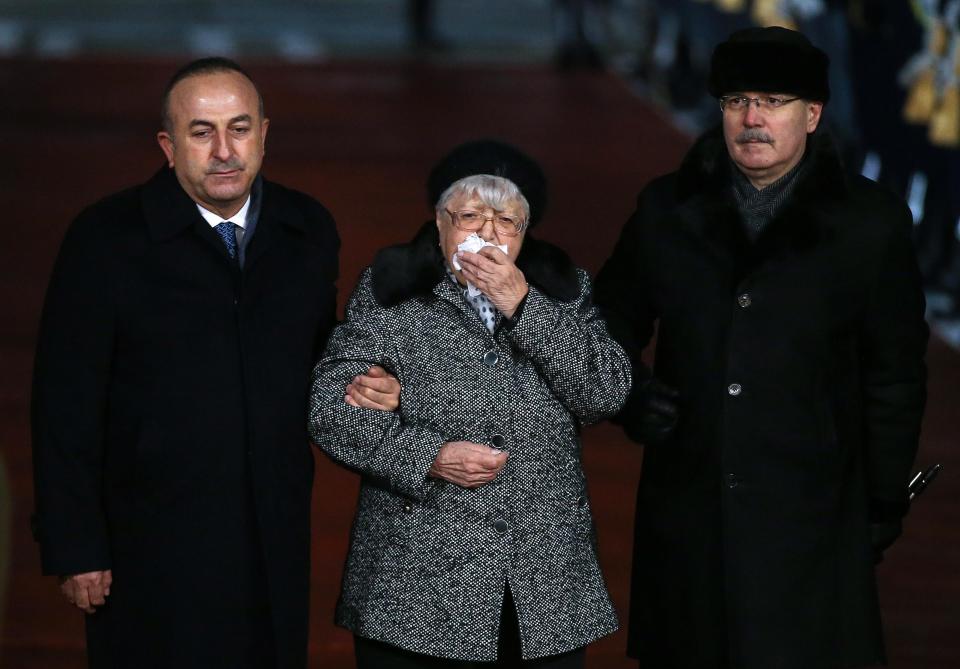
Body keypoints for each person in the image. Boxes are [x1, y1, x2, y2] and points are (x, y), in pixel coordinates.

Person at [30, 57, 395, 669]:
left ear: (264, 134)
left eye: (240, 128)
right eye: (202, 132)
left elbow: (314, 356)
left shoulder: (306, 228)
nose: (225, 150)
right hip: (150, 540)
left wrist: (363, 382)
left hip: (272, 531)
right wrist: (75, 546)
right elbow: (64, 402)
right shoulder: (105, 239)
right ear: (169, 147)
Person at [594, 26, 929, 669]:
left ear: (813, 114)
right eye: (736, 100)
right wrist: (628, 393)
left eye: (773, 100)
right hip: (690, 513)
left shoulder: (870, 223)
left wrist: (882, 502)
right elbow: (606, 322)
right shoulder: (667, 209)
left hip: (814, 514)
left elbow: (894, 378)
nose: (752, 118)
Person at [308, 140, 631, 668]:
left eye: (507, 220)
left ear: (526, 234)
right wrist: (427, 456)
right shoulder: (391, 290)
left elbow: (608, 391)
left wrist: (525, 308)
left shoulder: (563, 293)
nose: (487, 233)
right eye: (470, 215)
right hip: (417, 592)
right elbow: (332, 410)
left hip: (545, 591)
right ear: (439, 224)